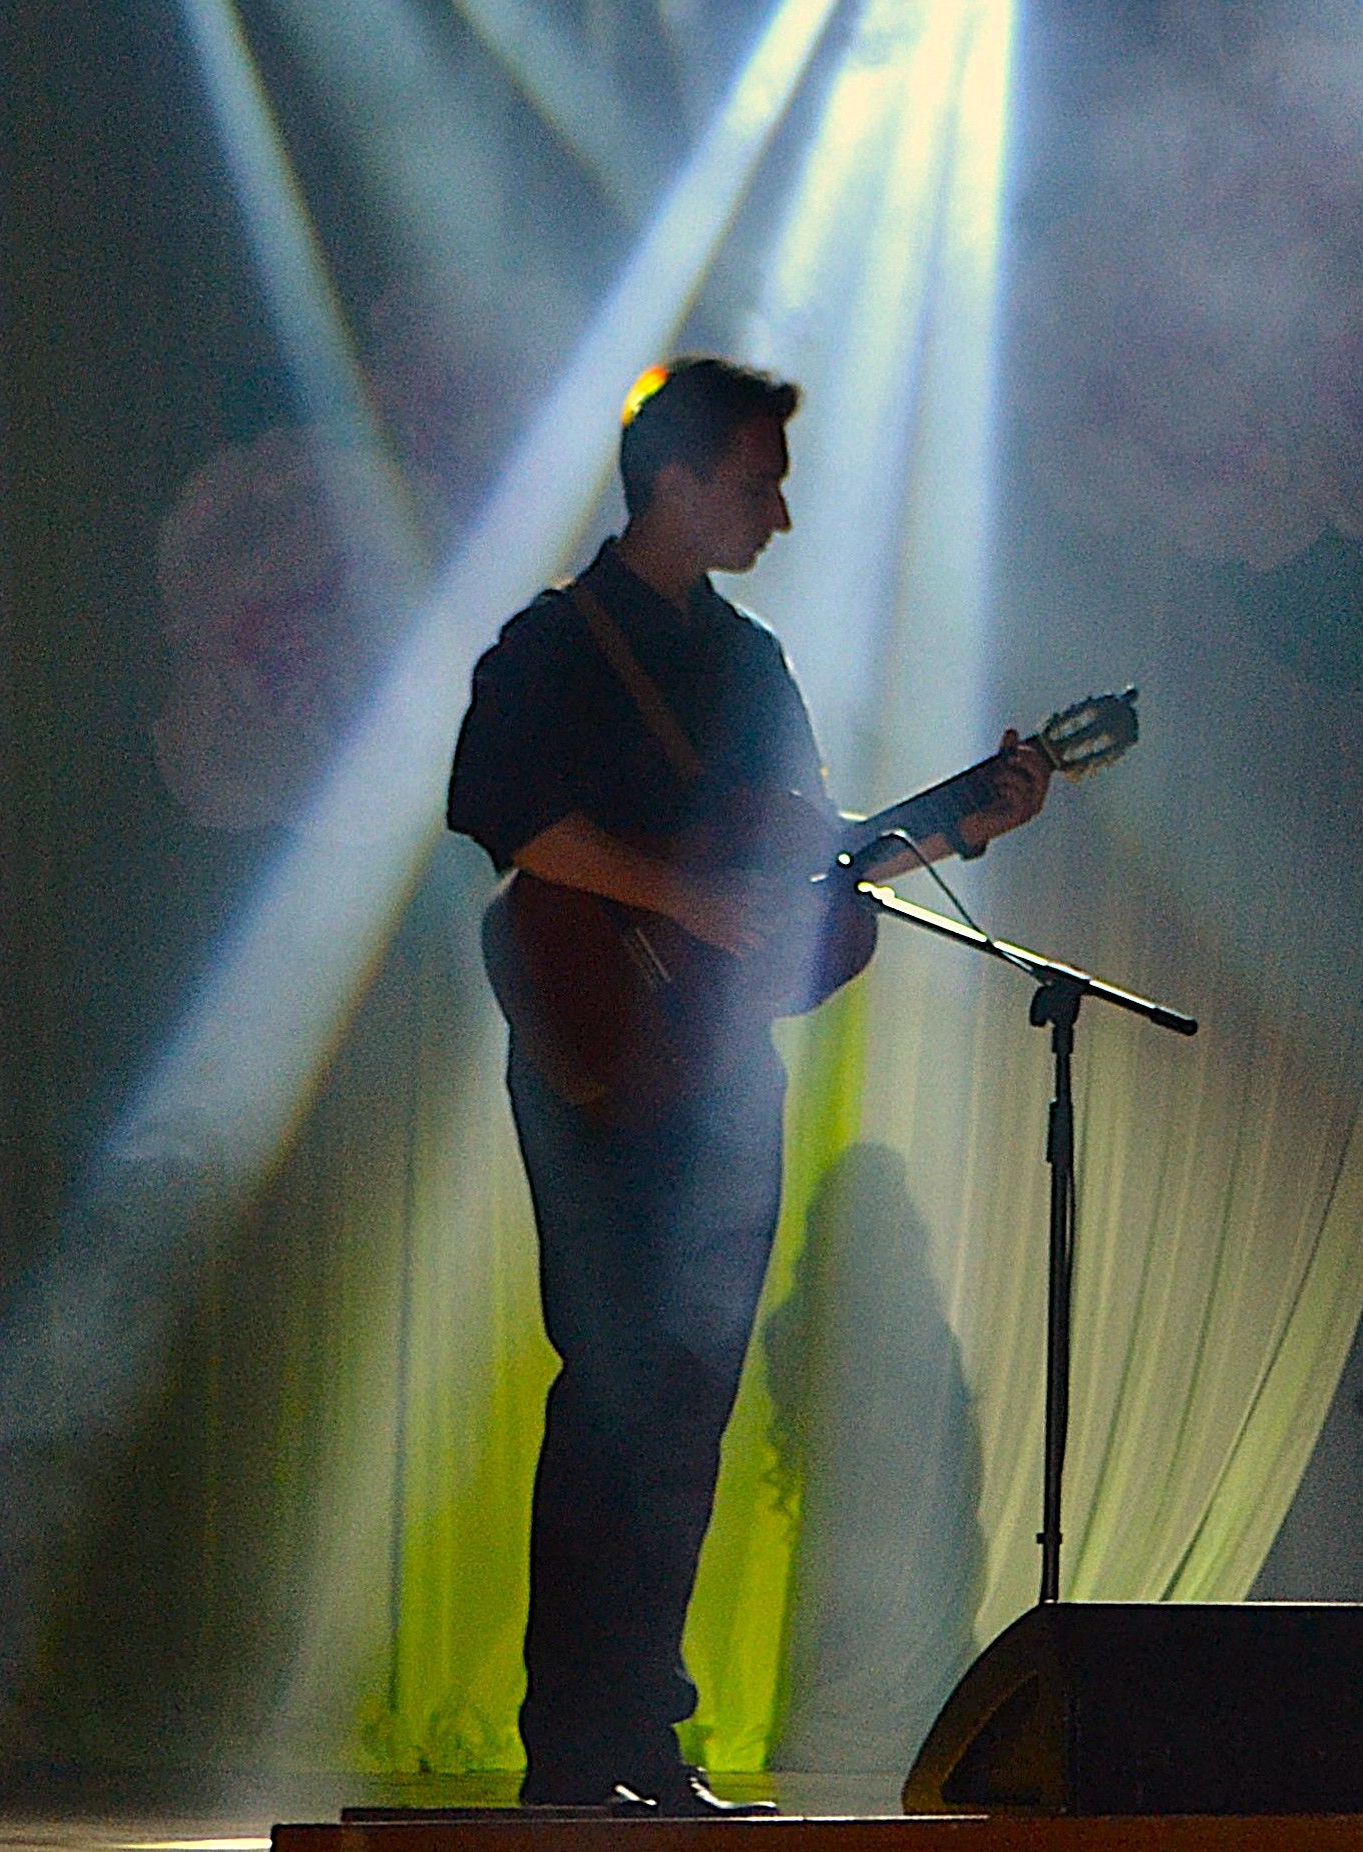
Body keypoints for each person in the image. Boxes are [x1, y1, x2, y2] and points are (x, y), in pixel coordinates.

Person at [446, 356, 1050, 1813]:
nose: (780, 513)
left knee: (688, 1404)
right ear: (676, 478)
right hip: (597, 1058)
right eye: (759, 481)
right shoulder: (552, 644)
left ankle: (641, 1743)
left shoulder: (749, 662)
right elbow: (510, 818)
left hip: (719, 1070)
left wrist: (962, 825)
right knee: (613, 1384)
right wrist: (684, 898)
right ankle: (572, 1754)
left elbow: (801, 862)